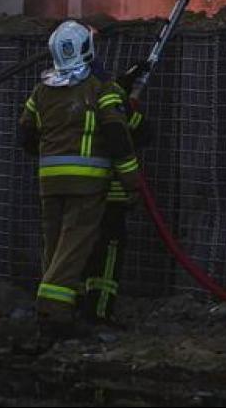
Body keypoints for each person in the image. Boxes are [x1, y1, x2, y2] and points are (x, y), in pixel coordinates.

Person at [18, 21, 141, 342]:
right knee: (73, 248)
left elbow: (25, 136)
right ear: (88, 49)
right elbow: (117, 136)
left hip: (49, 184)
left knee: (55, 247)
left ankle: (58, 309)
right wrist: (131, 181)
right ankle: (53, 313)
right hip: (87, 187)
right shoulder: (100, 89)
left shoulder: (40, 90)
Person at [80, 61, 148, 327]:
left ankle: (71, 307)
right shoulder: (111, 103)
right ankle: (99, 312)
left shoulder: (64, 100)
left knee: (75, 249)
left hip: (73, 193)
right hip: (109, 193)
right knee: (108, 251)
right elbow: (140, 134)